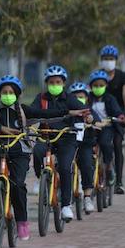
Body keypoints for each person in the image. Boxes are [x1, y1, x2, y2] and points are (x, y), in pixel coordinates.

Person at [0, 75, 71, 240]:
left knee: (18, 185)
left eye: (11, 92)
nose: (8, 95)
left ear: (17, 95)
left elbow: (45, 113)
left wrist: (68, 113)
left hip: (20, 153)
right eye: (5, 92)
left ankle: (22, 222)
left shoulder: (24, 110)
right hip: (0, 148)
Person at [30, 65, 88, 222]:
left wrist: (87, 117)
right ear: (47, 83)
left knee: (64, 167)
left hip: (66, 138)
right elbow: (31, 112)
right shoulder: (41, 98)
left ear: (63, 83)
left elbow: (84, 111)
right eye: (51, 82)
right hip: (46, 136)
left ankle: (66, 206)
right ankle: (39, 178)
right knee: (37, 152)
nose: (54, 85)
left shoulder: (69, 98)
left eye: (58, 82)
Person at [99, 45, 125, 195]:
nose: (108, 62)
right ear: (101, 60)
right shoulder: (98, 75)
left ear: (116, 61)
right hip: (100, 117)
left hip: (118, 116)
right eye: (105, 59)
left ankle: (119, 181)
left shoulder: (123, 76)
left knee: (117, 144)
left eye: (111, 59)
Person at [88, 70, 125, 193]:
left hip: (107, 127)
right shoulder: (88, 98)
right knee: (87, 145)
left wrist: (120, 116)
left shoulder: (110, 99)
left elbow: (117, 111)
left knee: (105, 143)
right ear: (91, 86)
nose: (98, 88)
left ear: (105, 86)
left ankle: (109, 165)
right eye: (95, 86)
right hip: (93, 128)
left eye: (101, 85)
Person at [68, 81, 96, 214]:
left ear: (86, 97)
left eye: (82, 96)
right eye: (75, 96)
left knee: (86, 164)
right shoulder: (69, 112)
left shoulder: (89, 110)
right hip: (69, 143)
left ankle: (87, 197)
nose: (79, 99)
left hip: (85, 144)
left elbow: (95, 119)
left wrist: (91, 121)